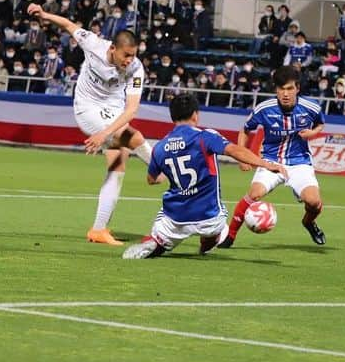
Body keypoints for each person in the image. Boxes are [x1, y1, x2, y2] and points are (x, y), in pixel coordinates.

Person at [27, 3, 154, 247]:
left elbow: (132, 109)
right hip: (87, 109)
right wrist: (43, 15)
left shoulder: (137, 68)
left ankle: (98, 229)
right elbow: (68, 25)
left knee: (118, 165)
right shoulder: (94, 44)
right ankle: (164, 172)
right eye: (126, 55)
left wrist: (105, 133)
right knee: (134, 138)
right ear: (113, 48)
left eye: (133, 55)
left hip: (113, 113)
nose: (130, 60)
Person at [122, 94, 288, 259]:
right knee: (220, 228)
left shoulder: (160, 146)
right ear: (195, 114)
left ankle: (156, 242)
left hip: (175, 218)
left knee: (161, 232)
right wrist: (265, 164)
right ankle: (206, 245)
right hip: (209, 217)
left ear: (172, 117)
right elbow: (234, 150)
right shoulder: (205, 137)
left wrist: (168, 174)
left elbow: (151, 180)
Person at [221, 65, 327, 249]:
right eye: (281, 89)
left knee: (314, 202)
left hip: (299, 162)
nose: (285, 94)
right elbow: (246, 130)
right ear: (276, 90)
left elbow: (320, 124)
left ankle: (308, 222)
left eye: (289, 88)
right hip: (270, 161)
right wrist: (242, 156)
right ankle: (230, 236)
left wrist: (313, 133)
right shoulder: (264, 109)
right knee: (254, 194)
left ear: (297, 88)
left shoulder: (311, 108)